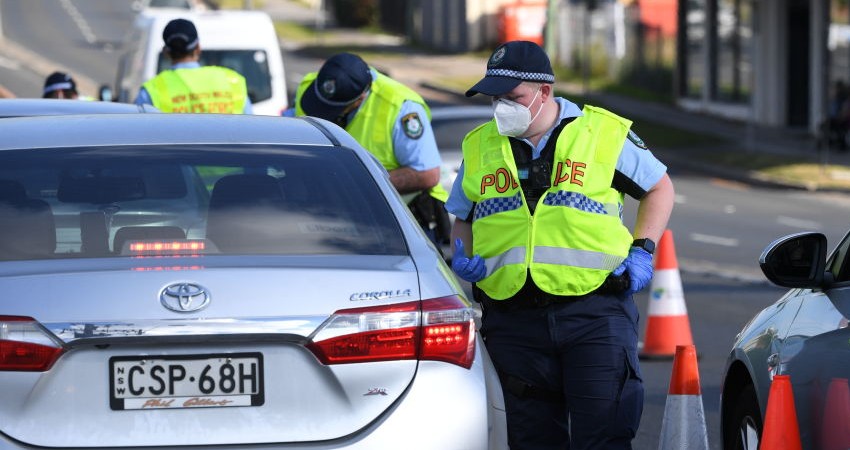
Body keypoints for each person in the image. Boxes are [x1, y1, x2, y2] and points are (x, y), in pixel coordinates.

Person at [446, 40, 675, 449]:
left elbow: (659, 188)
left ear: (544, 92)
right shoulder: (481, 145)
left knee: (603, 433)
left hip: (593, 312)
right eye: (495, 98)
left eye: (512, 97)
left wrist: (643, 249)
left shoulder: (601, 133)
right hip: (514, 320)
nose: (502, 107)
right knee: (530, 438)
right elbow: (464, 214)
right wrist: (463, 256)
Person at [292, 52, 450, 248]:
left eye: (335, 110)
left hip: (397, 222)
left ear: (361, 97)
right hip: (324, 216)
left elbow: (427, 174)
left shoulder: (400, 106)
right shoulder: (309, 86)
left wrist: (357, 186)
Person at [135, 18, 252, 114]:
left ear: (166, 52)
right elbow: (251, 132)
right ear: (198, 48)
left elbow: (137, 134)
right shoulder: (232, 82)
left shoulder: (152, 90)